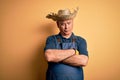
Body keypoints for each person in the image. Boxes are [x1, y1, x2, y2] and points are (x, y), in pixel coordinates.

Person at [44, 7, 89, 80]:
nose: (66, 27)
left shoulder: (80, 40)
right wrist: (73, 51)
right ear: (58, 25)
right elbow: (49, 56)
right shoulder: (51, 39)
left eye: (68, 23)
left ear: (72, 22)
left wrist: (57, 58)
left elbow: (83, 61)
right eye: (62, 24)